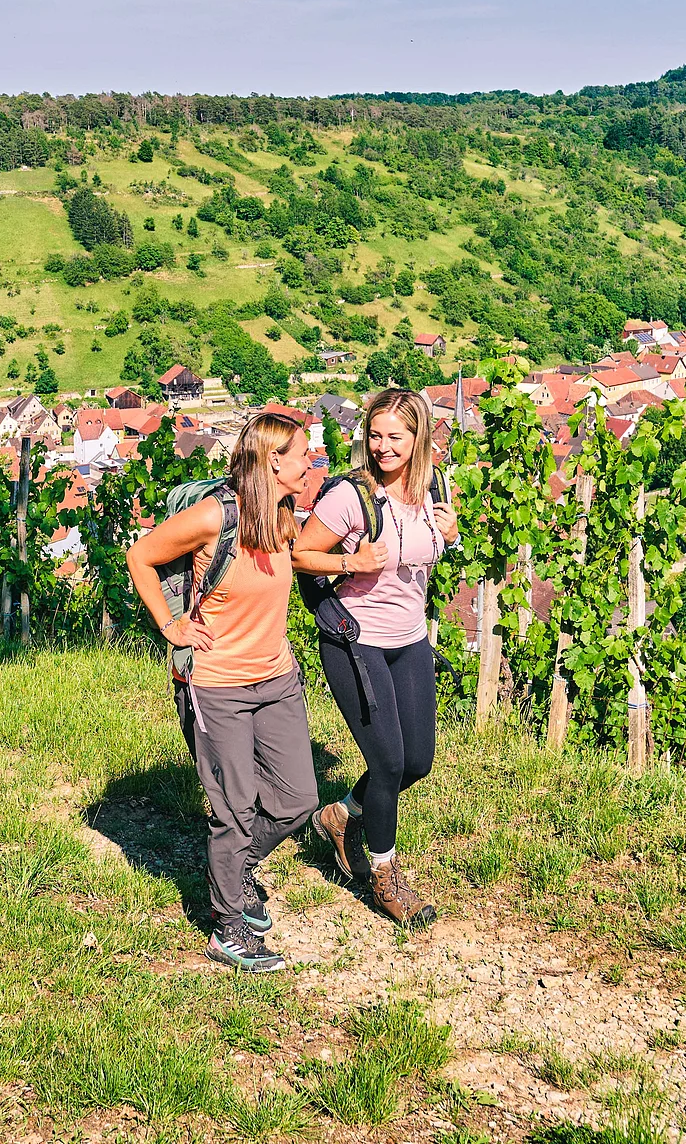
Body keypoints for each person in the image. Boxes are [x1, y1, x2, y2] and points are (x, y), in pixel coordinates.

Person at [127, 410, 316, 972]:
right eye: (305, 454)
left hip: (277, 677)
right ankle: (228, 924)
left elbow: (305, 557)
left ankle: (234, 871)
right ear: (273, 460)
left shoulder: (284, 514)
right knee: (233, 808)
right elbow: (141, 555)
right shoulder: (214, 515)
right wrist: (170, 625)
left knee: (297, 798)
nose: (313, 462)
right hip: (217, 684)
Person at [292, 387, 458, 927]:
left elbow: (425, 550)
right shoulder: (350, 496)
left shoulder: (433, 485)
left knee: (417, 762)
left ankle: (341, 815)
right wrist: (350, 561)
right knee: (387, 763)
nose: (383, 447)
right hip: (354, 638)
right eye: (376, 435)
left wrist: (449, 534)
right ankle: (385, 878)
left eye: (396, 437)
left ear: (419, 439)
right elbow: (300, 553)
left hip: (409, 639)